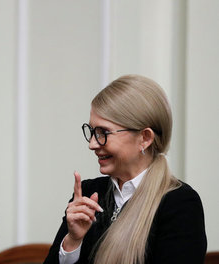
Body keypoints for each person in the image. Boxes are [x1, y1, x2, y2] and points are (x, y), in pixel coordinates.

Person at [44, 74, 207, 264]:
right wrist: (73, 241)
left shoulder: (179, 204)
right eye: (92, 132)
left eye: (103, 133)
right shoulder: (88, 194)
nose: (92, 144)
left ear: (145, 138)